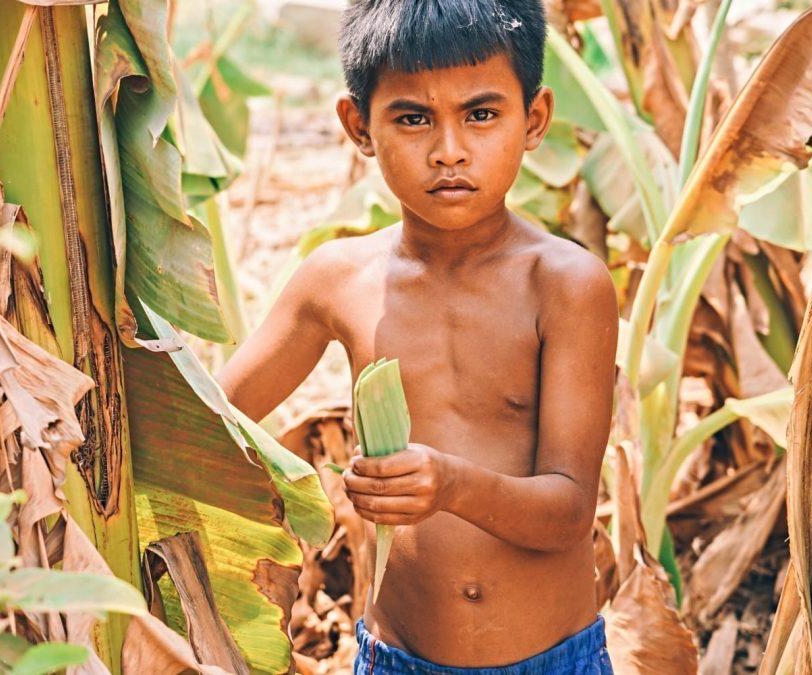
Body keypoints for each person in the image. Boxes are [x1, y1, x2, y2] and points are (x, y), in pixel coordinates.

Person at [218, 0, 618, 672]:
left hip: (553, 659)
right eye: (412, 118)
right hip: (397, 659)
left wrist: (450, 485)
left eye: (481, 114)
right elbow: (209, 420)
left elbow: (569, 512)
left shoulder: (566, 284)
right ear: (359, 125)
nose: (450, 149)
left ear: (535, 119)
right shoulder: (336, 280)